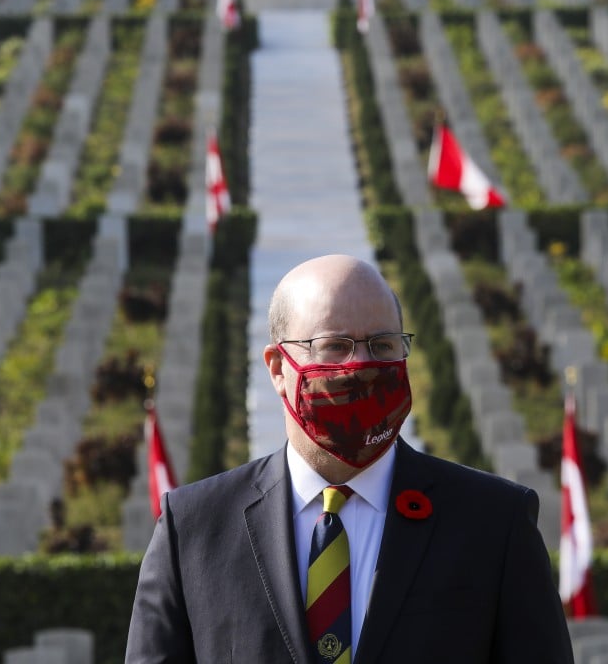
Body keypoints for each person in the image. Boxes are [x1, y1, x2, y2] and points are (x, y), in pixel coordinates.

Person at [125, 254, 573, 663]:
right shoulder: (195, 528)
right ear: (278, 369)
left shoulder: (494, 523)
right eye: (335, 345)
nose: (362, 366)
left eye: (382, 345)